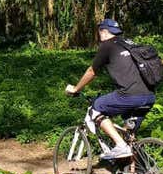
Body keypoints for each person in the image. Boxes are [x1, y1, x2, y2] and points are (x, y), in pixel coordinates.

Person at [65, 18, 156, 159]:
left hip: (130, 95)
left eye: (100, 31)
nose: (99, 35)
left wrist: (76, 89)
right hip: (149, 96)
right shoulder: (129, 44)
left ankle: (120, 145)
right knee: (129, 137)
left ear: (105, 32)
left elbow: (92, 71)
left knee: (96, 108)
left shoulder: (107, 46)